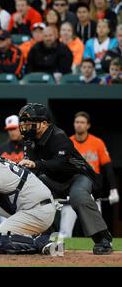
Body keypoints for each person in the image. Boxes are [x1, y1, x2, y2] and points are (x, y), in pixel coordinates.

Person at [17, 103, 113, 255]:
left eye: (30, 121)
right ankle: (44, 234)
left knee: (78, 196)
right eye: (23, 121)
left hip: (77, 176)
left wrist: (35, 164)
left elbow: (60, 163)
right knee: (29, 192)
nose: (25, 125)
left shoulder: (58, 136)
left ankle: (103, 238)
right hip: (53, 179)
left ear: (43, 123)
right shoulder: (29, 140)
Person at [59, 111, 120, 238]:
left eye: (82, 122)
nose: (79, 125)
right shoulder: (67, 143)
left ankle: (102, 250)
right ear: (74, 124)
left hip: (92, 191)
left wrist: (113, 189)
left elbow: (108, 168)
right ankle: (60, 257)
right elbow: (59, 169)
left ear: (88, 125)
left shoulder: (97, 143)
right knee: (64, 232)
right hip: (72, 190)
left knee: (97, 230)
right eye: (77, 122)